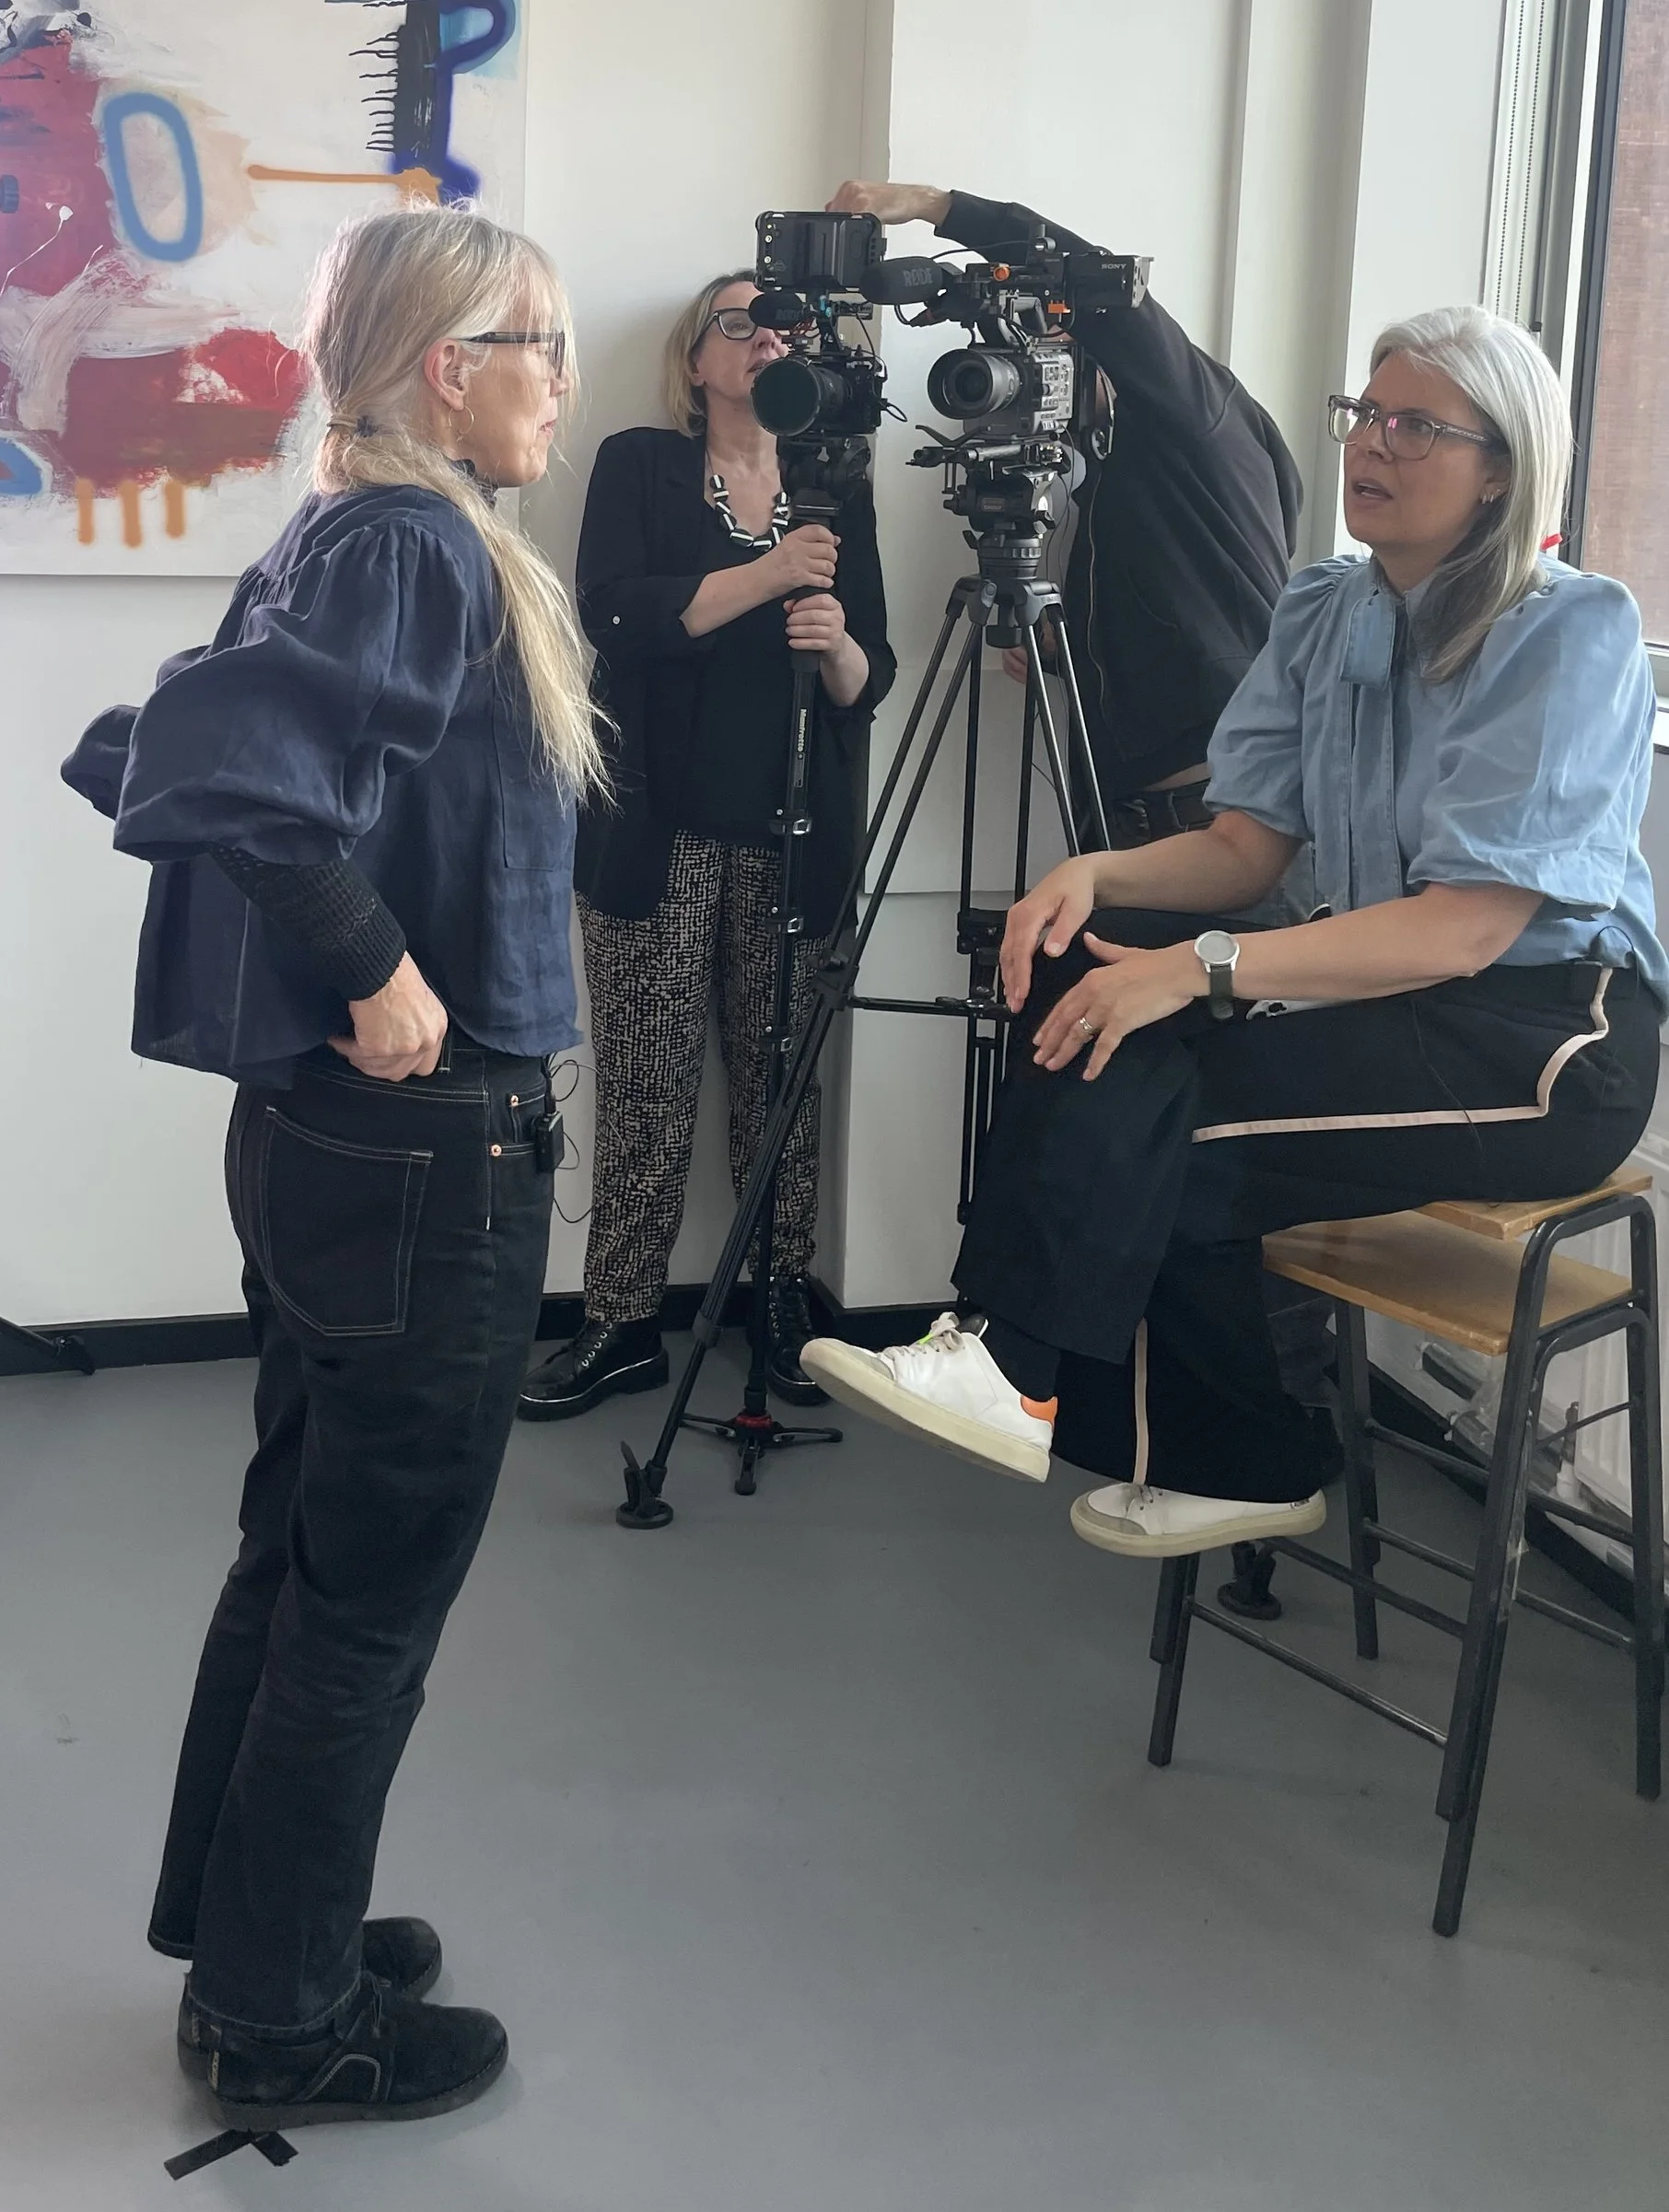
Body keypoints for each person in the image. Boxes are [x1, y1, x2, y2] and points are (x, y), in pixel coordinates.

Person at [801, 306, 1663, 1554]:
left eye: (1419, 424)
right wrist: (1096, 876)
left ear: (1500, 469)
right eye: (1367, 411)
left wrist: (1199, 966)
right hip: (1391, 1003)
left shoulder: (1569, 632)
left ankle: (1088, 1394)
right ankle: (1079, 1395)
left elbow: (1465, 932)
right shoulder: (1325, 606)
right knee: (1082, 997)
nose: (1375, 440)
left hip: (1546, 1042)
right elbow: (1245, 849)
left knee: (1160, 1124)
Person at [97, 206, 601, 2131]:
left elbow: (187, 745)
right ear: (435, 368)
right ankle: (280, 2015)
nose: (558, 371)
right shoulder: (403, 539)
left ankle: (251, 1930)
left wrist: (359, 959)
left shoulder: (366, 527)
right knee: (367, 1591)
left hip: (342, 1149)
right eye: (531, 338)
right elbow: (218, 771)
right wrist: (376, 968)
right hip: (421, 1147)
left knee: (303, 1552)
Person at [519, 271, 894, 1420]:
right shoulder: (639, 463)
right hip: (658, 832)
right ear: (696, 358)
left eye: (778, 327)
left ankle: (780, 1302)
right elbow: (614, 617)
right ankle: (621, 1321)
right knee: (645, 1084)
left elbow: (868, 675)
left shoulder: (838, 485)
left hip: (793, 835)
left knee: (781, 1086)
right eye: (737, 325)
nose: (761, 341)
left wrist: (834, 647)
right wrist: (772, 573)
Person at [828, 179, 1301, 857]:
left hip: (1210, 819)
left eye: (1055, 343)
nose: (1042, 369)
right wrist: (1068, 650)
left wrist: (936, 207)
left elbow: (1090, 279)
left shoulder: (1194, 411)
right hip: (1144, 812)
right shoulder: (1119, 470)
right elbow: (1174, 594)